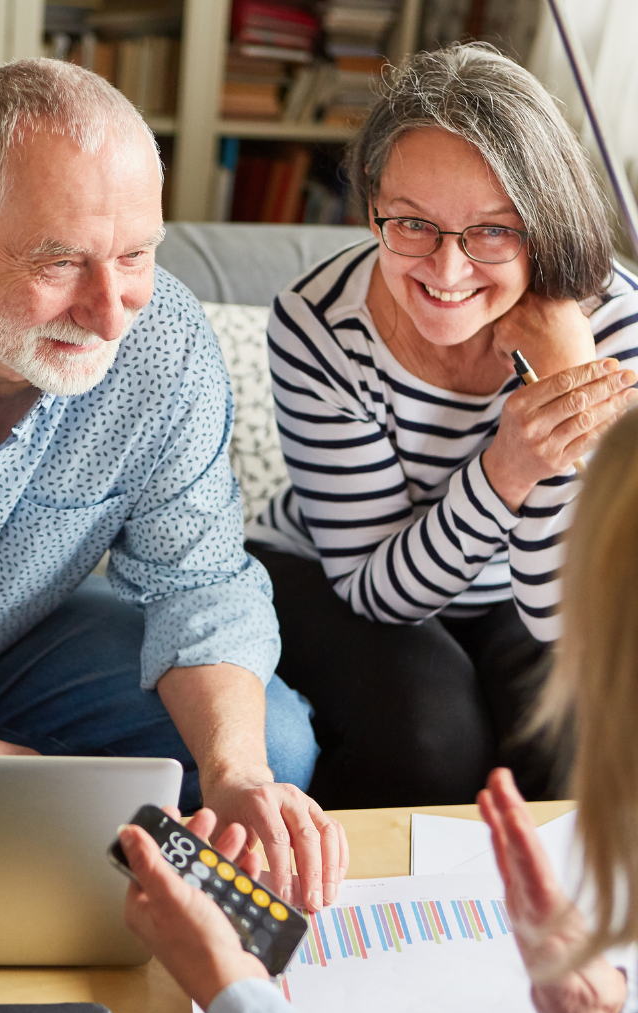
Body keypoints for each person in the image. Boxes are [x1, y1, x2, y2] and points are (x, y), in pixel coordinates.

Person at [0, 58, 348, 913]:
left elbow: (198, 580)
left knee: (271, 740)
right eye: (61, 263)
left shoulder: (163, 345)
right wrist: (6, 773)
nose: (111, 310)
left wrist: (234, 774)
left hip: (0, 647)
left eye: (135, 255)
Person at [119, 406, 638, 1013]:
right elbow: (383, 591)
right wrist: (605, 1007)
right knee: (428, 735)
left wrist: (230, 987)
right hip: (358, 580)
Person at [246, 42, 638, 810]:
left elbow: (562, 616)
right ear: (371, 209)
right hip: (333, 574)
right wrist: (508, 469)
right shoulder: (317, 324)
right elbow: (375, 590)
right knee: (433, 742)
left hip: (514, 592)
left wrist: (560, 391)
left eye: (493, 231)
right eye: (413, 224)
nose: (446, 271)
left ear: (544, 222)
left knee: (573, 739)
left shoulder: (619, 325)